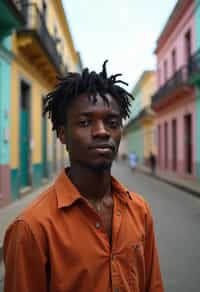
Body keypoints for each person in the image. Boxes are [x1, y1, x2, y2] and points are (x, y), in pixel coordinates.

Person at [3, 61, 164, 292]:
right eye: (85, 122)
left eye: (112, 122)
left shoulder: (140, 211)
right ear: (62, 135)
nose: (102, 131)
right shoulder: (31, 228)